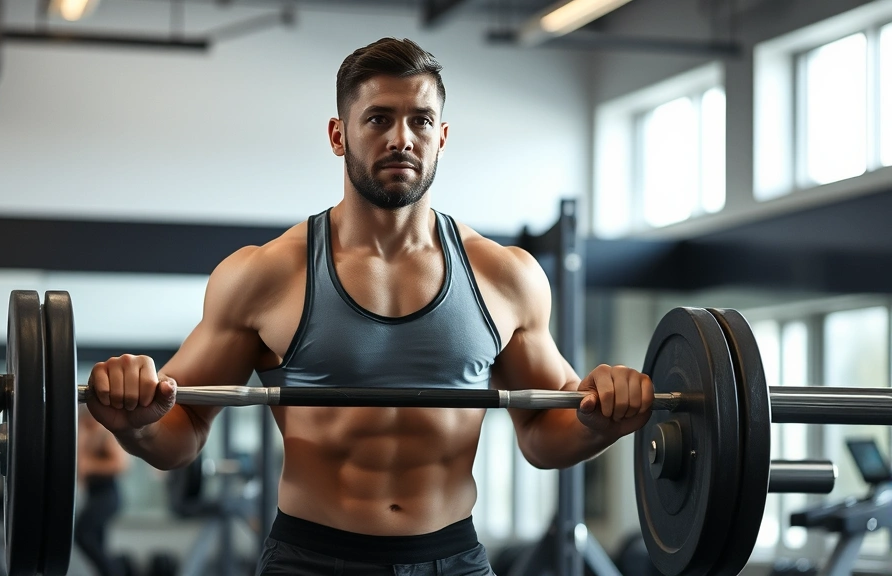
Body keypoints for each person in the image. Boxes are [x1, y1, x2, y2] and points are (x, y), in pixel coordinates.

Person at [85, 37, 654, 575]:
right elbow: (182, 429)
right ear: (339, 135)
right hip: (310, 559)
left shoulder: (506, 277)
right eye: (379, 118)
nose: (401, 138)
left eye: (420, 120)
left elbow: (543, 432)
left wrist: (603, 420)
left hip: (452, 556)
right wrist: (136, 426)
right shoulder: (265, 275)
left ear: (442, 137)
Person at [75, 404, 130, 576]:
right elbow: (80, 471)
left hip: (108, 495)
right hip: (95, 495)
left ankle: (114, 572)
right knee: (97, 543)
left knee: (82, 534)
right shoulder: (88, 437)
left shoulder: (104, 435)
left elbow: (121, 465)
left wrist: (91, 466)